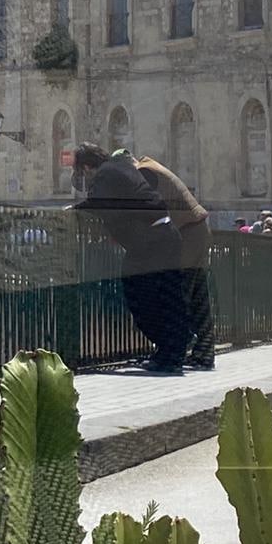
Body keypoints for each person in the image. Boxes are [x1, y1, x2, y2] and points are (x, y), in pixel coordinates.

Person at [70, 143, 190, 373]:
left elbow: (100, 203)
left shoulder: (106, 174)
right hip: (162, 236)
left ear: (86, 167)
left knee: (140, 296)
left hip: (151, 242)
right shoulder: (119, 168)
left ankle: (170, 352)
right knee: (167, 297)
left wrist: (75, 209)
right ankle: (171, 353)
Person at [133, 155, 215, 370]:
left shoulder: (144, 173)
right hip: (197, 230)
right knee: (198, 297)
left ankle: (172, 353)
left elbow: (147, 209)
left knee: (176, 296)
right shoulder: (153, 167)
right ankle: (204, 353)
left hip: (185, 234)